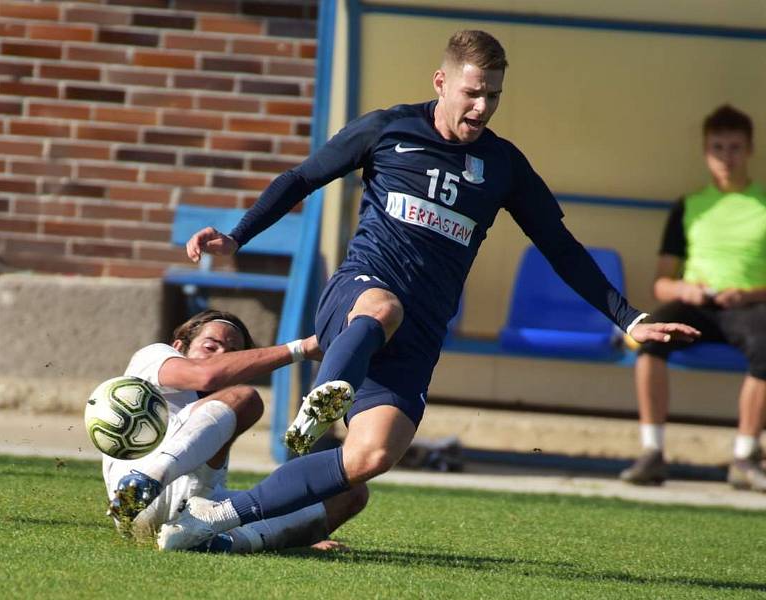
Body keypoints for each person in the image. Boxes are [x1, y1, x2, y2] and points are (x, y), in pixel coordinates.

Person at [118, 30, 699, 551]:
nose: (481, 106)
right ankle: (319, 402)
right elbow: (303, 177)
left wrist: (629, 318)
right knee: (382, 305)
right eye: (472, 92)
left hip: (419, 332)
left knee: (371, 456)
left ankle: (217, 521)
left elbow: (562, 247)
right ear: (441, 81)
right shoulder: (389, 128)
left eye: (493, 95)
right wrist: (238, 235)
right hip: (358, 296)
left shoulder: (503, 166)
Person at [104, 308, 368, 552]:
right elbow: (207, 375)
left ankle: (227, 543)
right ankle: (144, 481)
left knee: (349, 490)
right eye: (210, 346)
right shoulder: (154, 357)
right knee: (246, 399)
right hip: (139, 496)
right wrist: (303, 348)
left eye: (233, 354)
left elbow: (204, 488)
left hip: (195, 511)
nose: (222, 356)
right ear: (179, 347)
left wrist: (288, 534)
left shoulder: (220, 408)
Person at [620, 105, 766, 490]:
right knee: (648, 336)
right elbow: (661, 284)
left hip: (749, 307)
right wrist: (685, 289)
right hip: (695, 307)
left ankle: (745, 457)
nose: (726, 157)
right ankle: (652, 452)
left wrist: (747, 293)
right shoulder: (688, 206)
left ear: (749, 149)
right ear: (705, 151)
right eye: (717, 147)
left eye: (734, 148)